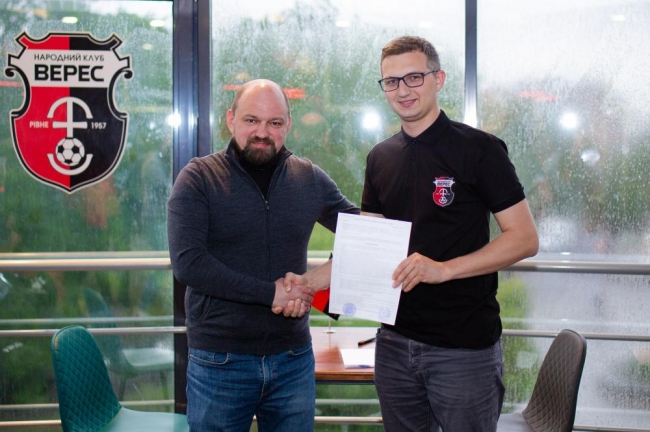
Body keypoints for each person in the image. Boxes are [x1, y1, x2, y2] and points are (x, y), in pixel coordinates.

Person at [287, 36, 539, 431]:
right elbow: (368, 245)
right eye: (391, 81)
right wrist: (306, 283)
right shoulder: (380, 157)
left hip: (463, 348)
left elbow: (524, 238)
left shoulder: (481, 149)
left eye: (414, 77)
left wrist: (444, 269)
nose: (403, 90)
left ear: (439, 79)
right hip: (393, 343)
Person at [167, 79, 359, 432]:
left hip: (293, 358)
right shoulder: (198, 178)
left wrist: (316, 279)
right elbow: (188, 263)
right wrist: (271, 293)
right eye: (251, 120)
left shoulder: (309, 178)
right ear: (231, 119)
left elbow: (364, 233)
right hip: (220, 360)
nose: (262, 132)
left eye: (274, 122)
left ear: (288, 125)